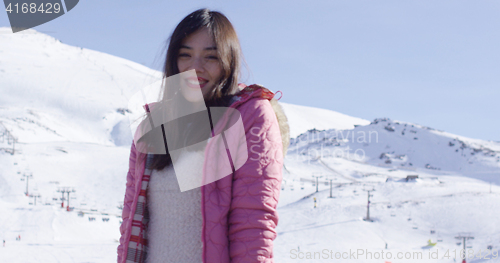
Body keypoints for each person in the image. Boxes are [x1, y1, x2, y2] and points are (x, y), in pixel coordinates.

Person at [117, 8, 290, 263]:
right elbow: (131, 223)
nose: (195, 68)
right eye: (185, 55)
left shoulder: (251, 117)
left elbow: (253, 224)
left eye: (211, 57)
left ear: (228, 61)